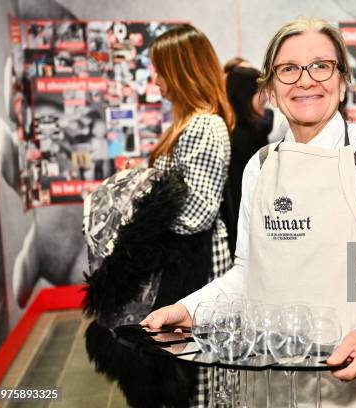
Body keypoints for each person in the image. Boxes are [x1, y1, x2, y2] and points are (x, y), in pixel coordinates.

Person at [142, 17, 356, 407]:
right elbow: (247, 275)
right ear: (271, 88)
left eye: (321, 66)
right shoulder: (259, 166)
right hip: (272, 387)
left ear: (342, 81)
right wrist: (189, 309)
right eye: (288, 69)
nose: (305, 80)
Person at [84, 24, 234, 407]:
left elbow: (197, 212)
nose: (157, 80)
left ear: (182, 72)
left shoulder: (205, 125)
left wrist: (141, 206)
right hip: (183, 265)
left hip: (197, 267)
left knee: (197, 375)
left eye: (161, 70)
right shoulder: (189, 123)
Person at [225, 66, 270, 252]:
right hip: (245, 236)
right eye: (260, 91)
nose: (265, 97)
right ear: (245, 96)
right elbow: (239, 194)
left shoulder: (253, 130)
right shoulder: (239, 137)